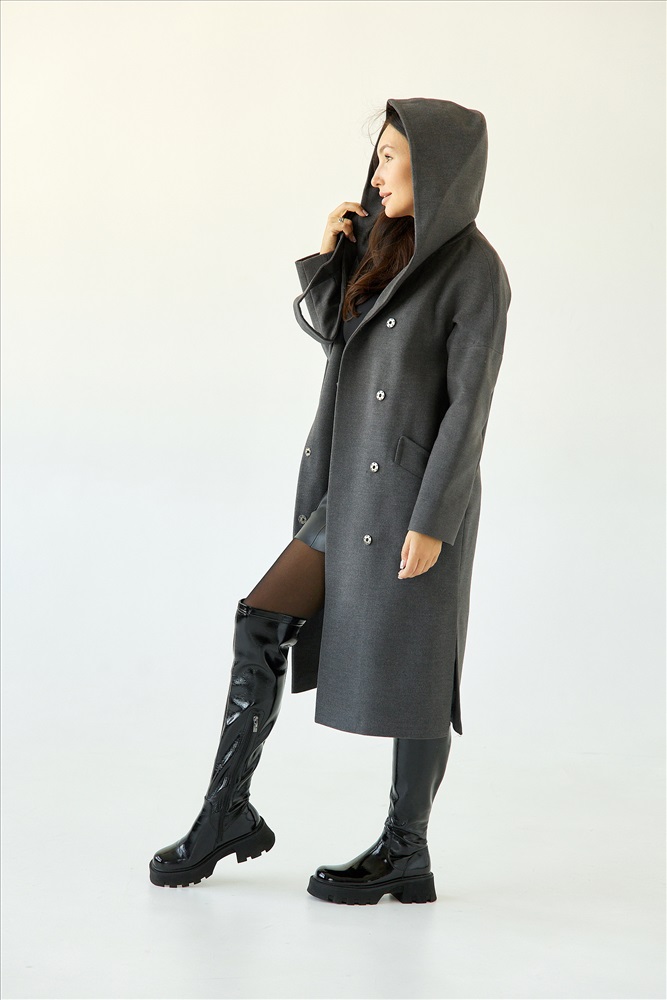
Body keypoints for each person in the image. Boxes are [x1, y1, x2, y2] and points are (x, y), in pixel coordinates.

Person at [149, 97, 512, 906]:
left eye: (390, 157)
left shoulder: (476, 270)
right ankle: (226, 811)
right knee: (261, 618)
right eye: (377, 157)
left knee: (420, 670)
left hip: (413, 500)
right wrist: (329, 256)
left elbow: (469, 406)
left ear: (437, 167)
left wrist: (434, 520)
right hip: (348, 492)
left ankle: (405, 850)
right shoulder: (385, 244)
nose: (376, 174)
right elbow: (331, 335)